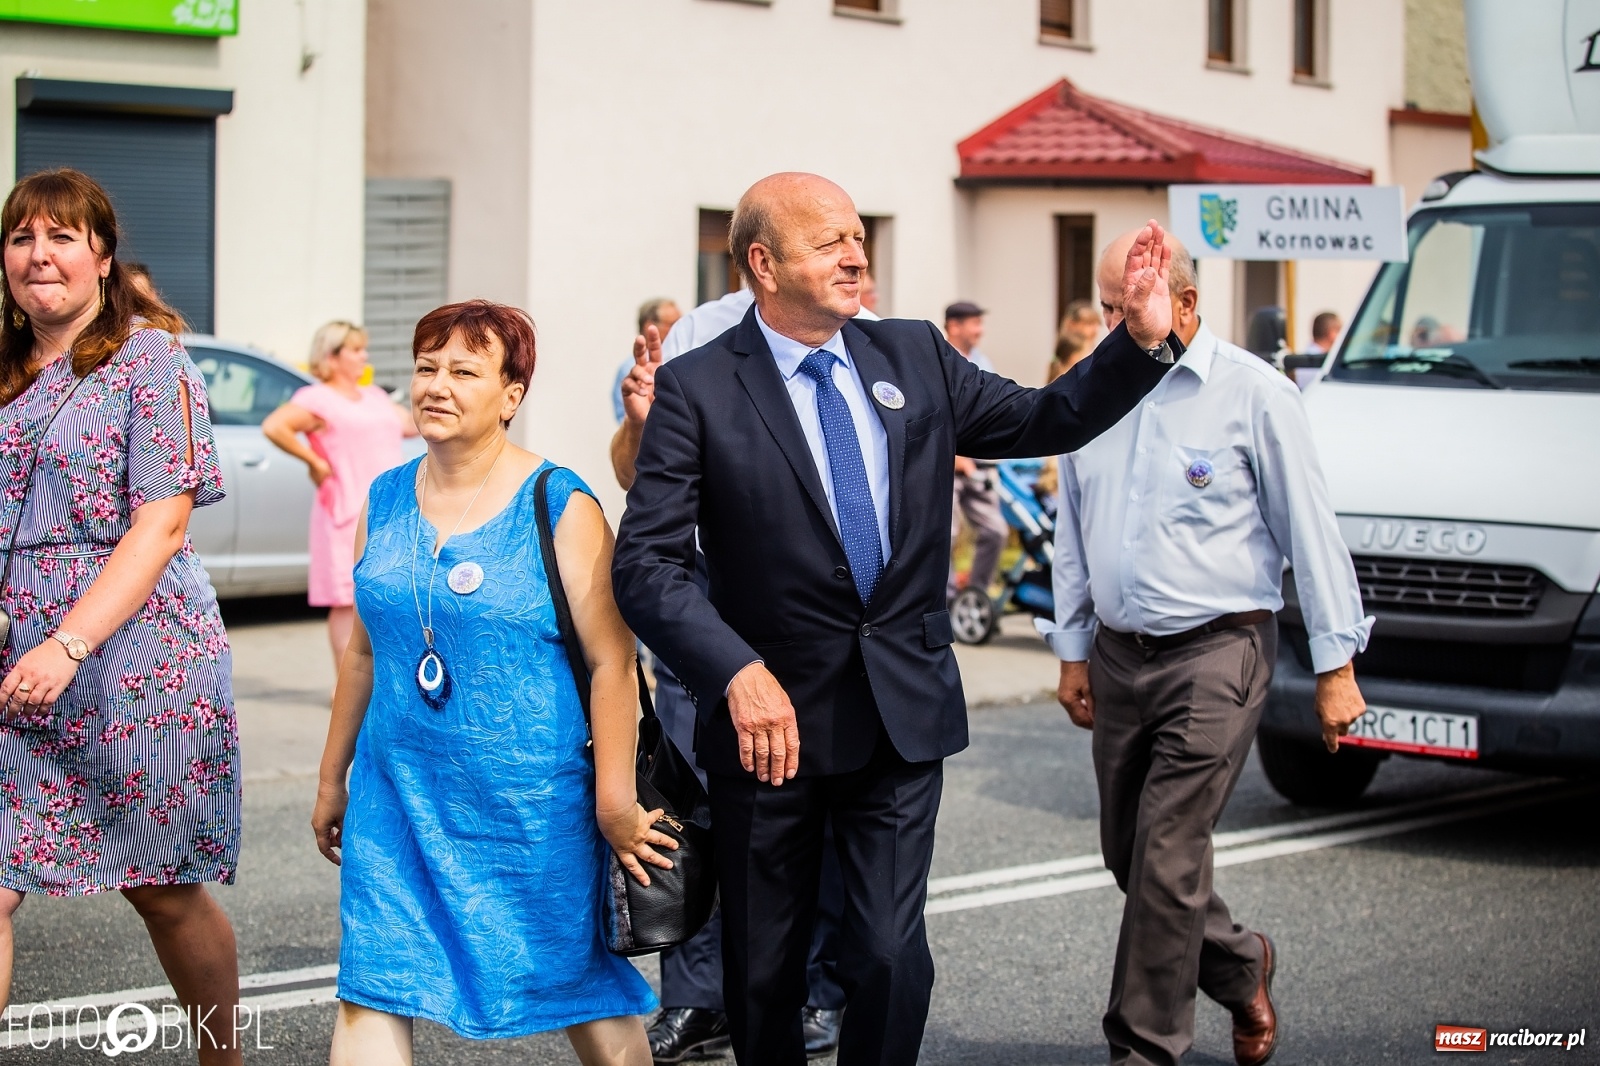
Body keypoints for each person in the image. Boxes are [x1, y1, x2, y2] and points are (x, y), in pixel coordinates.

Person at [611, 171, 1178, 1066]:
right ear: (762, 262)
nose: (856, 253)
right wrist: (736, 672)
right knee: (763, 972)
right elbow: (645, 565)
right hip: (769, 730)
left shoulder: (912, 354)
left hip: (899, 715)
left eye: (859, 236)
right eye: (829, 239)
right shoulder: (697, 387)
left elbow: (1047, 417)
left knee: (884, 955)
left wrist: (1142, 345)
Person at [1041, 230, 1373, 1066]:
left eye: (1131, 307)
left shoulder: (1255, 396)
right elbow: (1072, 533)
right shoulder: (1093, 394)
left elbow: (1312, 532)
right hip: (1120, 655)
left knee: (1166, 850)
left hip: (1219, 651)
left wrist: (1336, 666)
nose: (1114, 327)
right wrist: (1073, 650)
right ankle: (1238, 961)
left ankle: (1142, 1048)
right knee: (1131, 854)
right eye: (1110, 309)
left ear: (1184, 304)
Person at [311, 300, 665, 1065]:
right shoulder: (386, 498)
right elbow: (366, 655)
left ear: (511, 395)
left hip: (531, 812)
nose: (437, 385)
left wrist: (614, 802)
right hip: (396, 799)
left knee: (583, 992)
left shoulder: (559, 503)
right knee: (374, 985)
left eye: (464, 371)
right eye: (428, 367)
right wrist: (332, 776)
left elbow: (612, 661)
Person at [0, 168, 243, 1063]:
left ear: (102, 255)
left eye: (62, 236)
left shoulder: (151, 360)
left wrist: (69, 642)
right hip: (10, 662)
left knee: (161, 889)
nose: (40, 255)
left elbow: (162, 521)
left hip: (136, 656)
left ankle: (222, 1056)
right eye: (23, 238)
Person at [612, 285, 860, 1061]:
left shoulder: (860, 337)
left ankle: (817, 990)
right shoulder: (699, 334)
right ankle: (696, 999)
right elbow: (634, 473)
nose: (847, 261)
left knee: (806, 823)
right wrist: (640, 422)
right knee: (694, 812)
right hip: (703, 630)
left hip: (807, 642)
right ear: (762, 257)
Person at [262, 322, 415, 671]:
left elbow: (412, 425)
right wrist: (313, 460)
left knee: (388, 594)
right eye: (356, 350)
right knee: (347, 600)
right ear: (332, 356)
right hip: (345, 510)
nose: (365, 356)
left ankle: (384, 678)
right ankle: (344, 683)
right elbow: (274, 426)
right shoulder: (317, 399)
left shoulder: (375, 396)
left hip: (389, 511)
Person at [943, 301, 1008, 604]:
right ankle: (946, 600)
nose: (980, 330)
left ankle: (974, 597)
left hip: (979, 466)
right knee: (947, 535)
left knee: (996, 531)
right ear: (954, 326)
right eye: (974, 323)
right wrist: (957, 458)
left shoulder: (983, 362)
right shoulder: (938, 360)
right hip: (946, 466)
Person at [612, 299, 682, 424]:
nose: (681, 329)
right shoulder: (632, 370)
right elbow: (624, 421)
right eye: (673, 324)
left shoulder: (683, 360)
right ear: (650, 326)